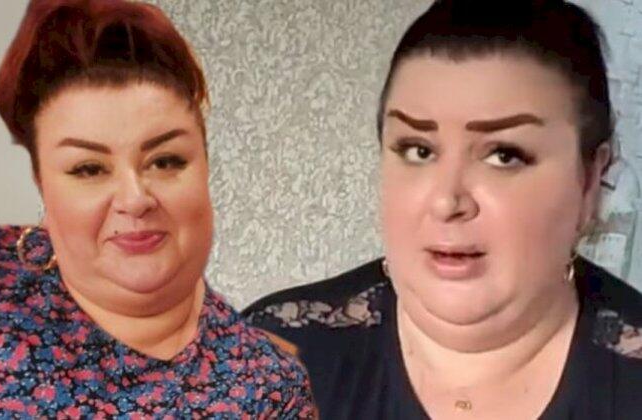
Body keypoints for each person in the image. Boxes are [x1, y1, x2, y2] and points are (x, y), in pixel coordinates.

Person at [244, 0, 642, 418]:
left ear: (590, 181)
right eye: (418, 150)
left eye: (504, 155)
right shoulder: (266, 359)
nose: (447, 201)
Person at [0, 0, 315, 417]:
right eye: (89, 169)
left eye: (165, 161)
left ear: (205, 166)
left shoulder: (268, 388)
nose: (135, 198)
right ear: (41, 181)